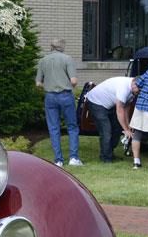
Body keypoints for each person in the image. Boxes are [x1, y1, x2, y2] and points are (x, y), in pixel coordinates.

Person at [36, 38, 82, 167]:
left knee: (53, 128)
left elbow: (38, 83)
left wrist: (50, 83)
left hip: (50, 97)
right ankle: (73, 158)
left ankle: (58, 160)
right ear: (62, 47)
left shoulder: (43, 61)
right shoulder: (67, 59)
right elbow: (73, 81)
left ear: (51, 47)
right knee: (72, 127)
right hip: (65, 95)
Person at [84, 76, 134, 163]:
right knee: (106, 130)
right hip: (96, 102)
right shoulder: (124, 88)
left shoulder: (134, 90)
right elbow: (119, 111)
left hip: (109, 104)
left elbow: (126, 109)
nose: (139, 92)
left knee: (117, 128)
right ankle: (106, 158)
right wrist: (126, 130)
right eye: (139, 89)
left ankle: (109, 153)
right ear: (134, 84)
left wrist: (128, 126)